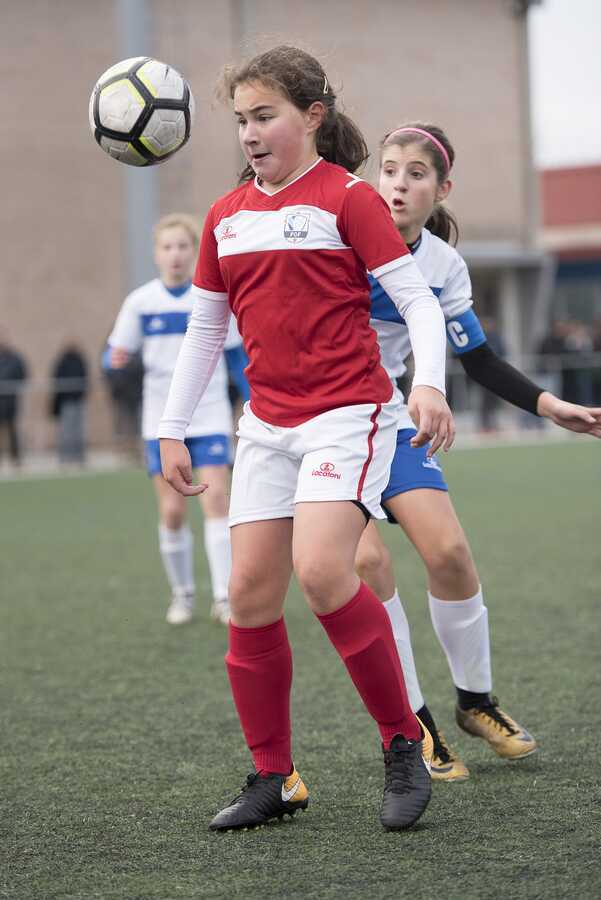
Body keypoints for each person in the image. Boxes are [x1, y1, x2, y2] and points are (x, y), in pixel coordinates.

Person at [158, 46, 455, 833]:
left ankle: (402, 743)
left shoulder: (348, 199)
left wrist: (427, 383)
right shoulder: (225, 216)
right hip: (266, 425)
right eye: (241, 120)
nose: (250, 133)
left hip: (347, 416)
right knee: (249, 596)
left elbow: (418, 304)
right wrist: (171, 428)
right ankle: (274, 777)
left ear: (312, 116)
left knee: (322, 572)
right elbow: (204, 332)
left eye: (265, 116)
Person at [355, 123, 601, 781]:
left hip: (389, 421)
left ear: (441, 190)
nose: (397, 184)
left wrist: (550, 406)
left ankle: (475, 702)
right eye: (388, 169)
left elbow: (480, 360)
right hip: (321, 426)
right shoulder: (340, 233)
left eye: (415, 174)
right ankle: (411, 724)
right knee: (367, 564)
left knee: (450, 554)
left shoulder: (442, 265)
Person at [107, 213, 247, 626]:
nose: (176, 255)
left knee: (216, 500)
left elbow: (237, 357)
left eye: (183, 246)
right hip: (161, 422)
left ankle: (224, 597)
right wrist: (115, 360)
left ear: (195, 252)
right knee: (172, 511)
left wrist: (253, 399)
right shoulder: (140, 302)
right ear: (156, 254)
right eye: (167, 247)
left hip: (210, 416)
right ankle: (182, 594)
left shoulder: (211, 298)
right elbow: (114, 353)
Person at [49, 341, 88, 465]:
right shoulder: (62, 361)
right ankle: (66, 456)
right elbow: (57, 377)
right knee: (66, 431)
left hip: (78, 400)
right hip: (66, 401)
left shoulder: (79, 360)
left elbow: (84, 376)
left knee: (78, 430)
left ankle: (78, 456)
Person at [0, 330, 28, 466]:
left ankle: (15, 458)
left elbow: (22, 373)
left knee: (12, 429)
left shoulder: (14, 358)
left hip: (10, 400)